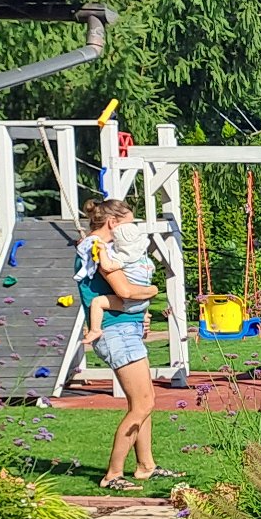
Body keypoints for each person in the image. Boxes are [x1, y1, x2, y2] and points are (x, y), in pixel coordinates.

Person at [77, 198, 177, 490]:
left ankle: (146, 466)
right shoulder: (98, 250)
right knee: (144, 402)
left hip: (126, 328)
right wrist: (154, 289)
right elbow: (124, 289)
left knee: (143, 402)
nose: (131, 229)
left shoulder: (102, 248)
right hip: (115, 332)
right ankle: (113, 475)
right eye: (129, 223)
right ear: (112, 223)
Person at [77, 221, 156, 346]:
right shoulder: (148, 263)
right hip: (144, 302)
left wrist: (102, 250)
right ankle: (145, 318)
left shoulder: (123, 259)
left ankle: (95, 330)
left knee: (97, 302)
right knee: (144, 288)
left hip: (127, 304)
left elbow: (107, 266)